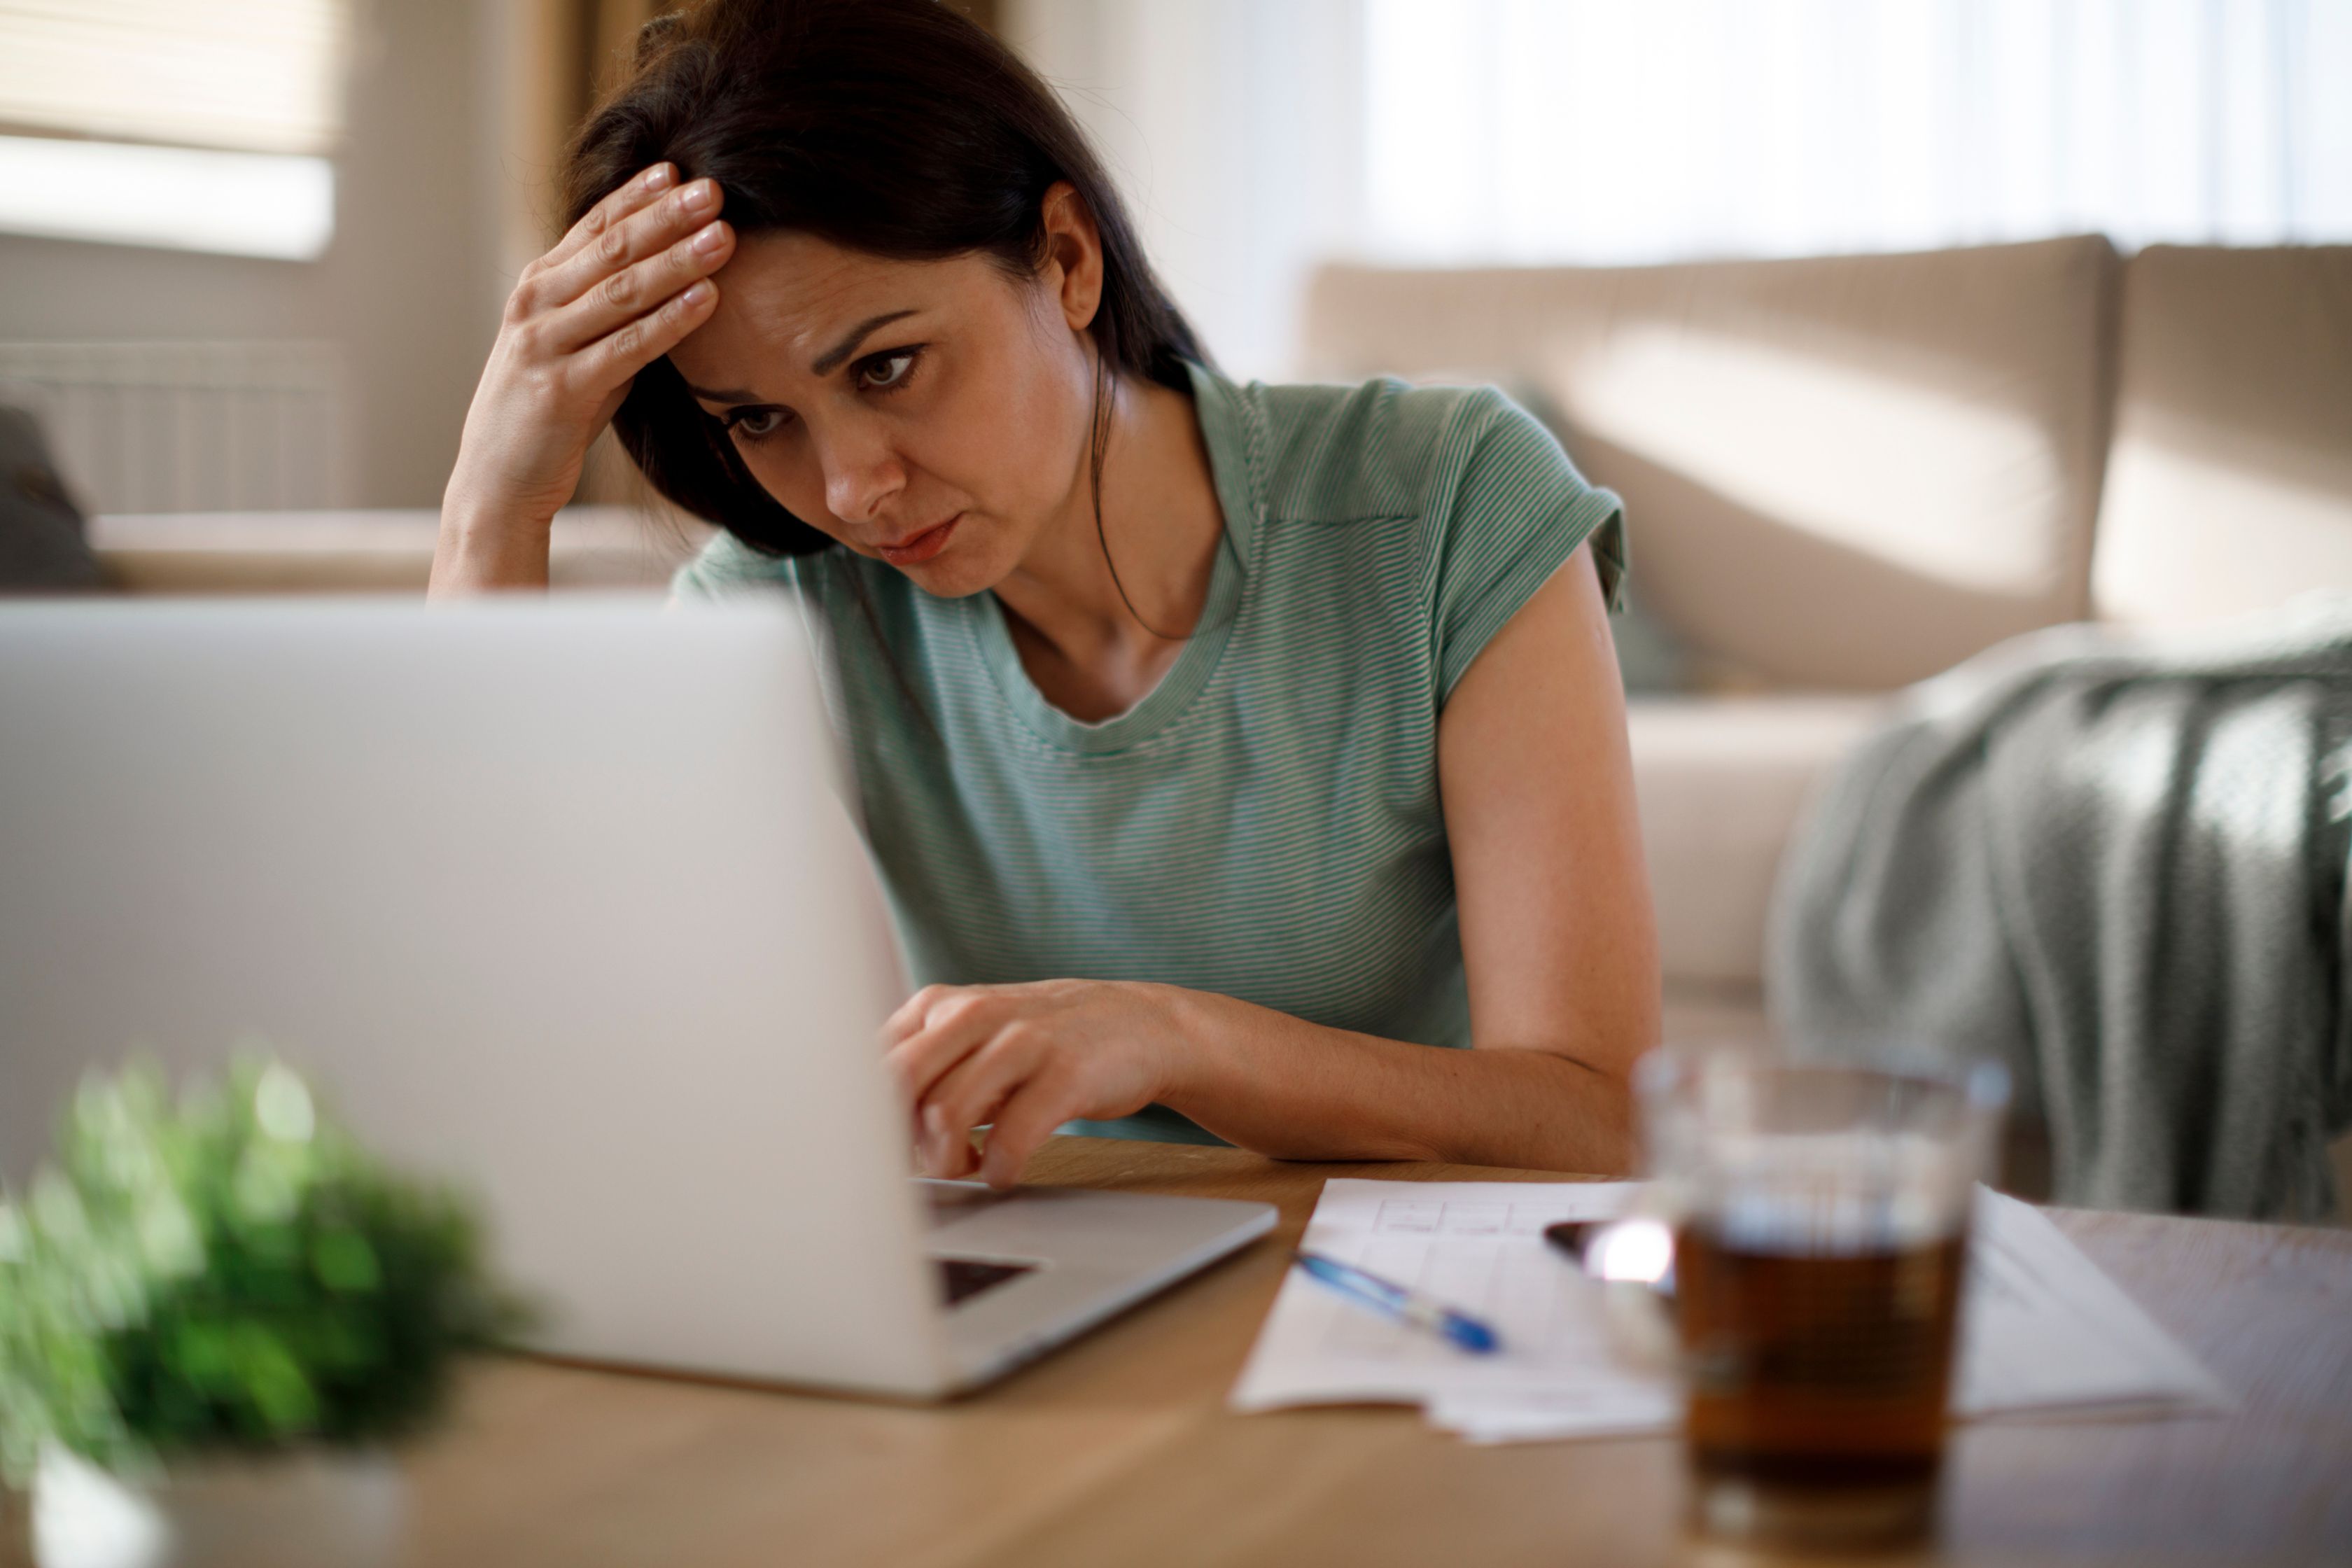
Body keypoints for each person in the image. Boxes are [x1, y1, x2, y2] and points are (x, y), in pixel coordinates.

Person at [430, 0, 1658, 1187]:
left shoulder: (1443, 501)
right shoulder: (784, 606)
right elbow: (518, 1018)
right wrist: (498, 502)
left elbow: (1598, 1117)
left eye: (888, 366)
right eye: (760, 419)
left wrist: (1173, 1038)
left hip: (1396, 1294)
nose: (852, 490)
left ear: (1065, 260)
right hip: (1038, 1298)